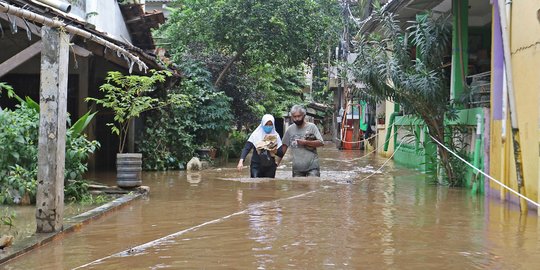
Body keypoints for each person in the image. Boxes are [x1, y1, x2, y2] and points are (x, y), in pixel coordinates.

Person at [281, 105, 324, 177]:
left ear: (304, 115)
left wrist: (305, 142)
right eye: (294, 117)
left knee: (314, 187)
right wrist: (276, 164)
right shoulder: (289, 130)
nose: (297, 119)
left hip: (312, 167)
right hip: (297, 169)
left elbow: (321, 143)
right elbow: (283, 148)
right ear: (291, 117)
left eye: (299, 116)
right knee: (298, 188)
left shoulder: (312, 127)